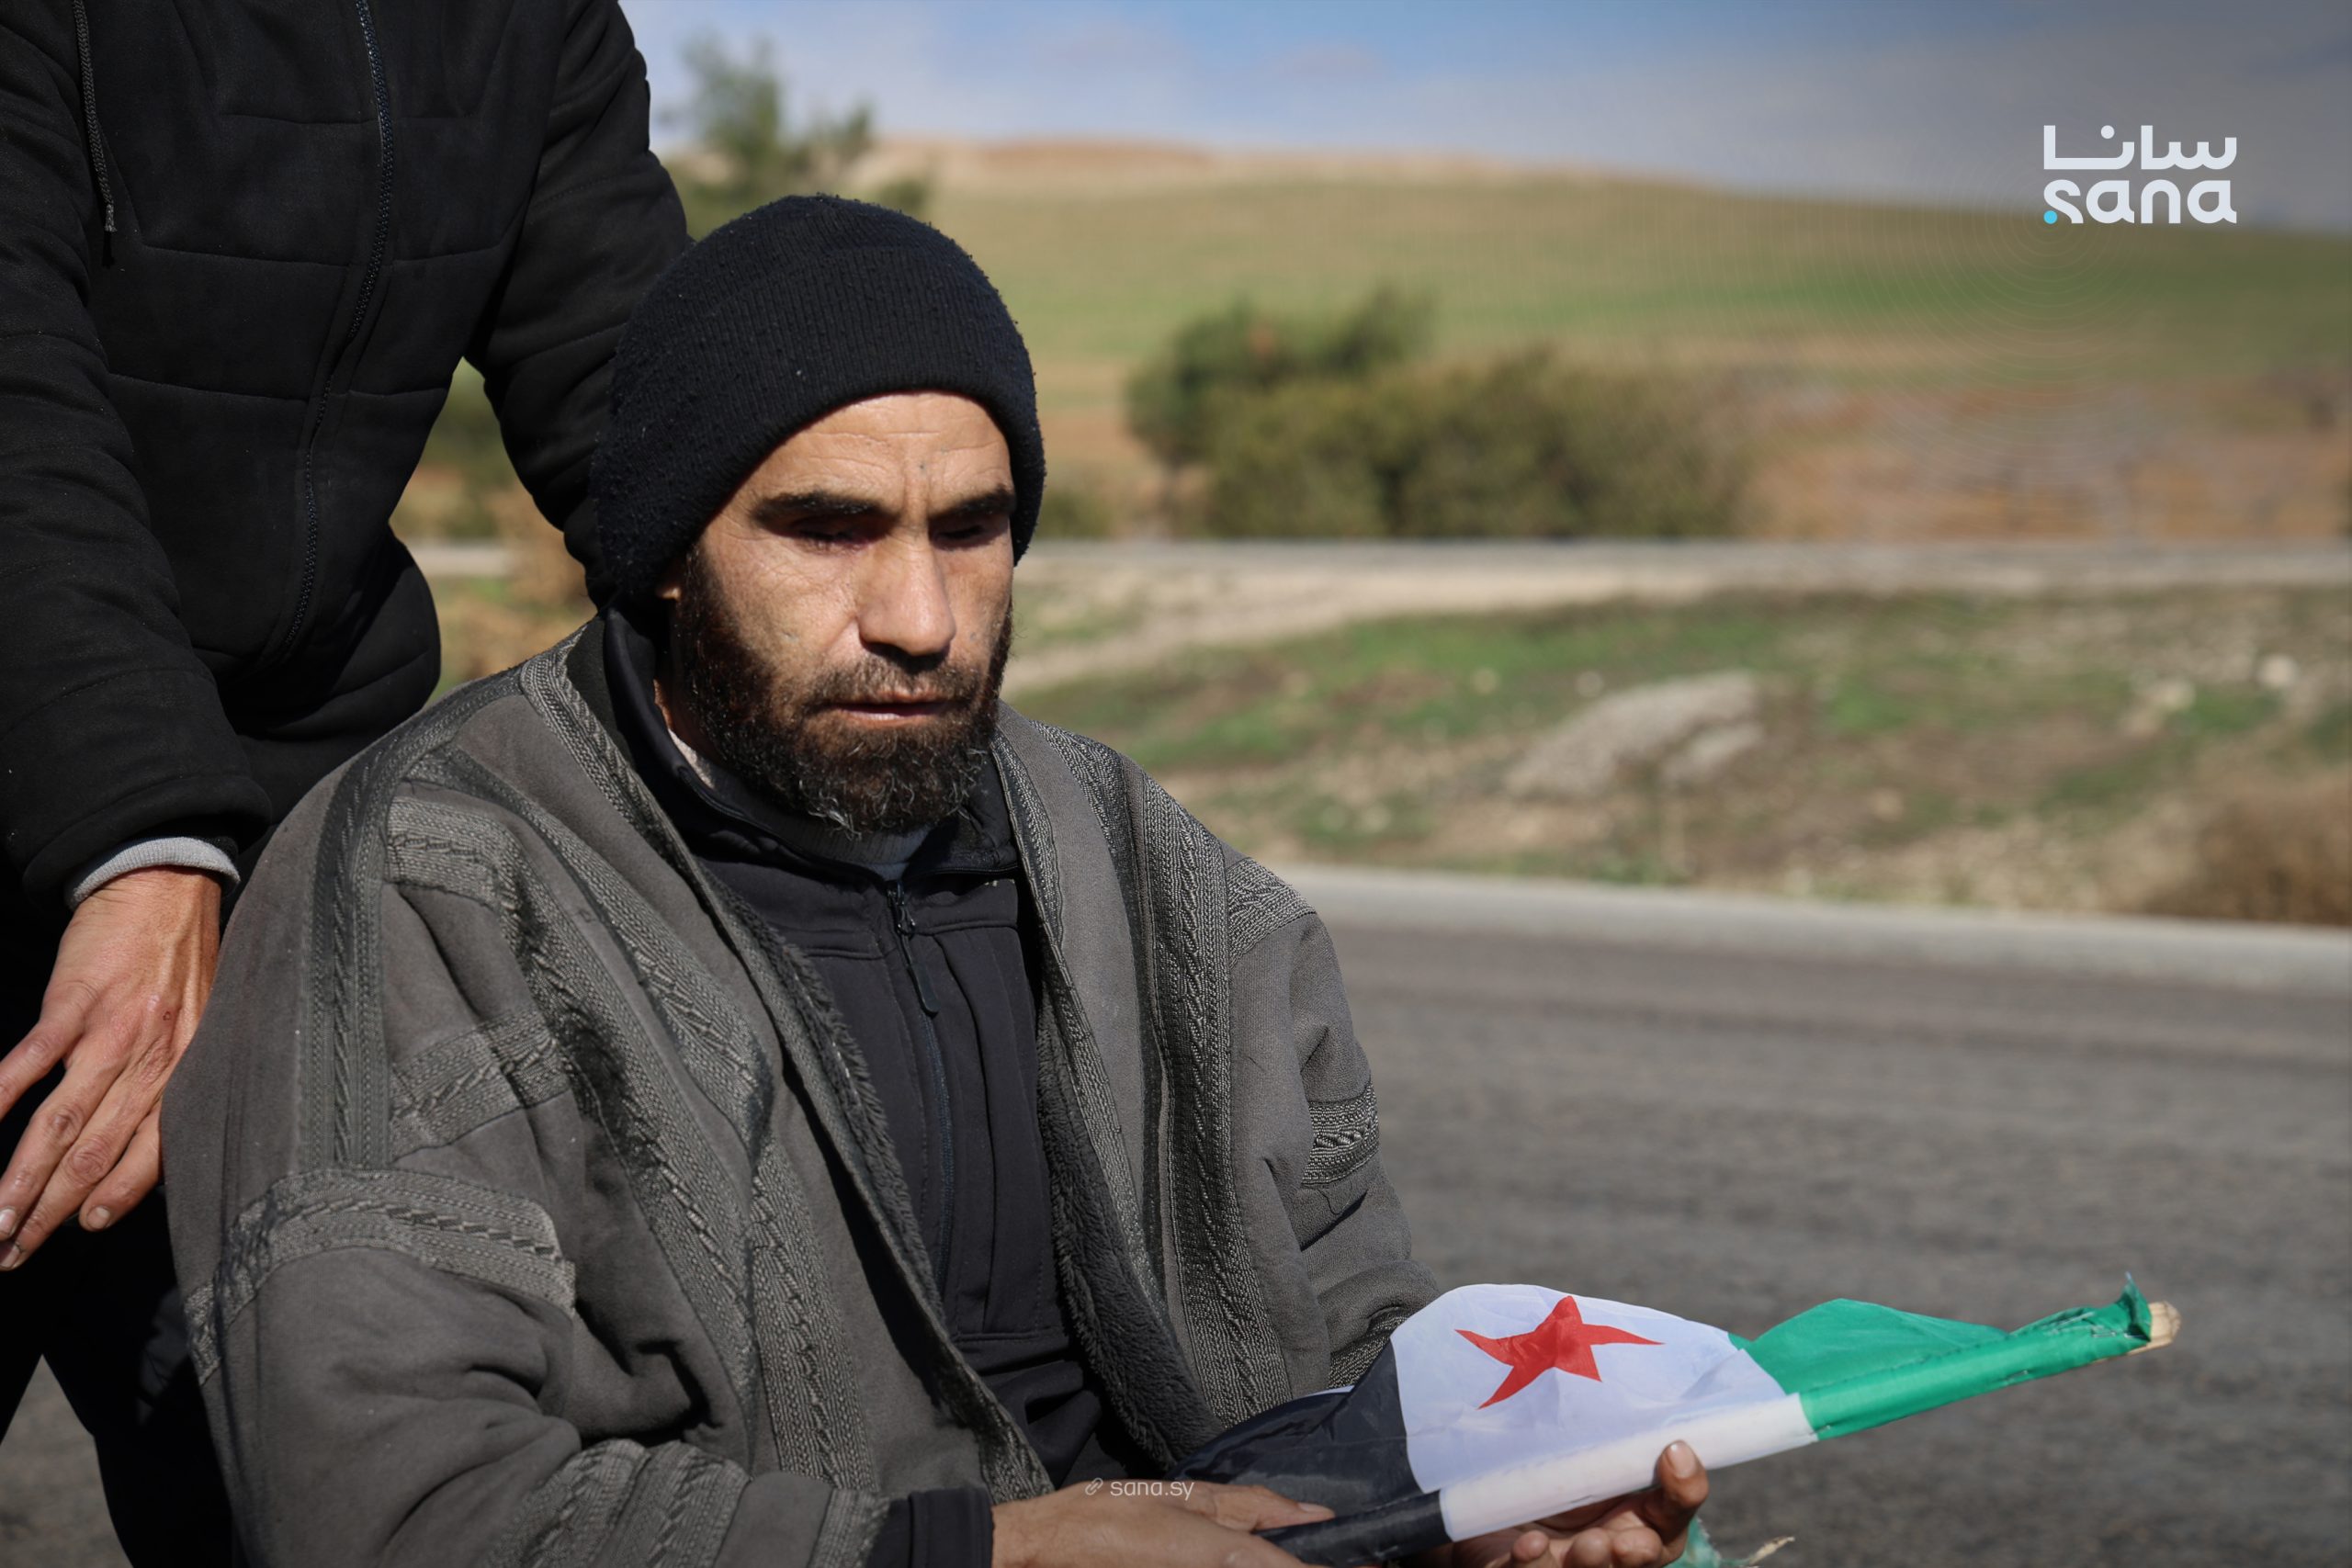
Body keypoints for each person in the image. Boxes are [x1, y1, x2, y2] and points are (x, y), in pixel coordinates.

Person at [164, 196, 1708, 1567]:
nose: (920, 617)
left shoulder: (1154, 871)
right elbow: (382, 1508)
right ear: (669, 552)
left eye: (970, 530)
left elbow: (1349, 1317)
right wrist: (986, 1556)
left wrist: (1481, 1492)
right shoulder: (429, 885)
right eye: (828, 530)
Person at [0, 1, 687, 1560]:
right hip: (114, 819)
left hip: (278, 834)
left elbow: (630, 396)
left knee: (298, 1484)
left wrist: (814, 639)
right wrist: (140, 836)